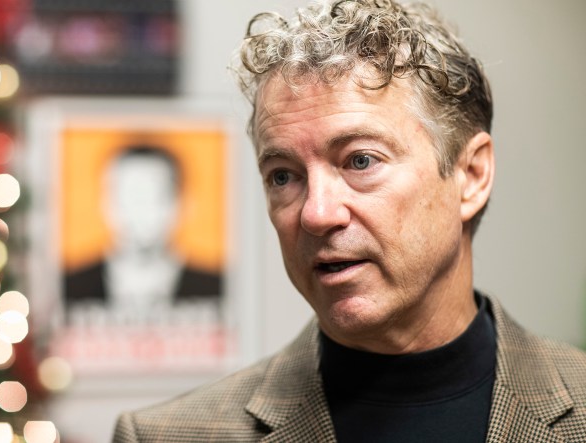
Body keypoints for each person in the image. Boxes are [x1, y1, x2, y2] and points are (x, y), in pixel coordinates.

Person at [112, 0, 586, 441]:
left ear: (472, 175)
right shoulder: (164, 436)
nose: (317, 213)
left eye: (360, 161)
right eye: (283, 176)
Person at [64, 145, 221, 316]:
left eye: (154, 198)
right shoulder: (66, 289)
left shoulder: (221, 289)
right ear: (104, 203)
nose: (140, 213)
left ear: (182, 204)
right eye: (128, 197)